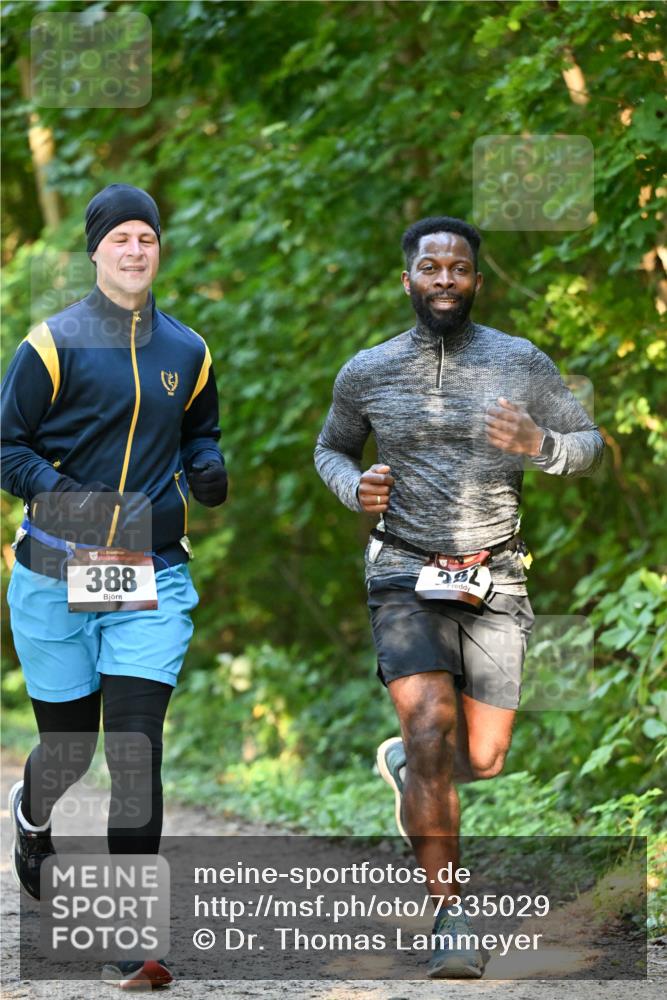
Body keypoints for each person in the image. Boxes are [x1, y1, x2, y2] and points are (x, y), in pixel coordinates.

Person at [314, 216, 604, 979]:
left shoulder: (520, 361)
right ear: (406, 279)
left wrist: (537, 447)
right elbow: (330, 448)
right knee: (431, 729)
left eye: (460, 268)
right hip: (403, 570)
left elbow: (589, 442)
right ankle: (450, 915)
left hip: (495, 574)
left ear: (478, 279)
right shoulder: (367, 371)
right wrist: (355, 487)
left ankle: (415, 768)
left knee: (485, 754)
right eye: (431, 267)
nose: (445, 278)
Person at [1, 183, 228, 989]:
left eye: (148, 237)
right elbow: (6, 448)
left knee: (134, 748)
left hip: (151, 574)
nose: (136, 249)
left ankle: (132, 934)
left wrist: (207, 468)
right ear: (95, 250)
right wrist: (77, 502)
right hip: (55, 571)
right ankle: (32, 824)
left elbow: (200, 430)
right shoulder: (52, 343)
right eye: (121, 238)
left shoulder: (188, 350)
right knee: (68, 749)